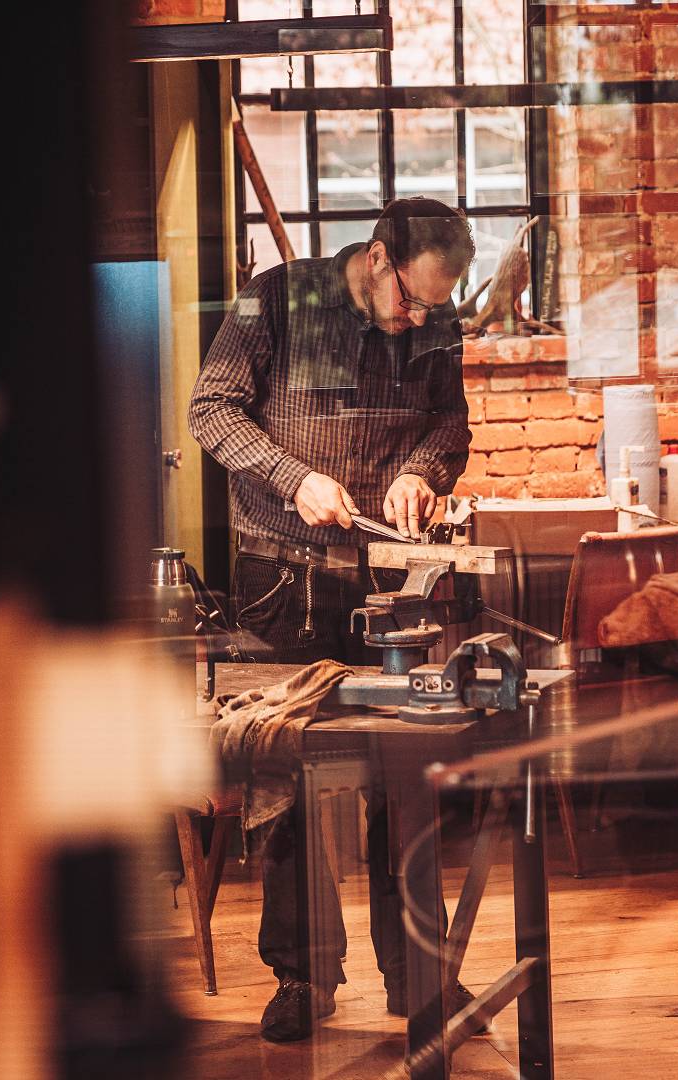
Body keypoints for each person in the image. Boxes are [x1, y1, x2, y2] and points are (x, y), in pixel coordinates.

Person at [188, 198, 478, 1042]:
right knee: (290, 774)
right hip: (286, 574)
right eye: (410, 301)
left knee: (406, 776)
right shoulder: (274, 299)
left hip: (390, 579)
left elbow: (450, 423)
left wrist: (424, 470)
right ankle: (303, 977)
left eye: (433, 306)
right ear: (380, 259)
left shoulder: (436, 319)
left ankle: (418, 978)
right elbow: (212, 411)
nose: (419, 318)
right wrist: (291, 477)